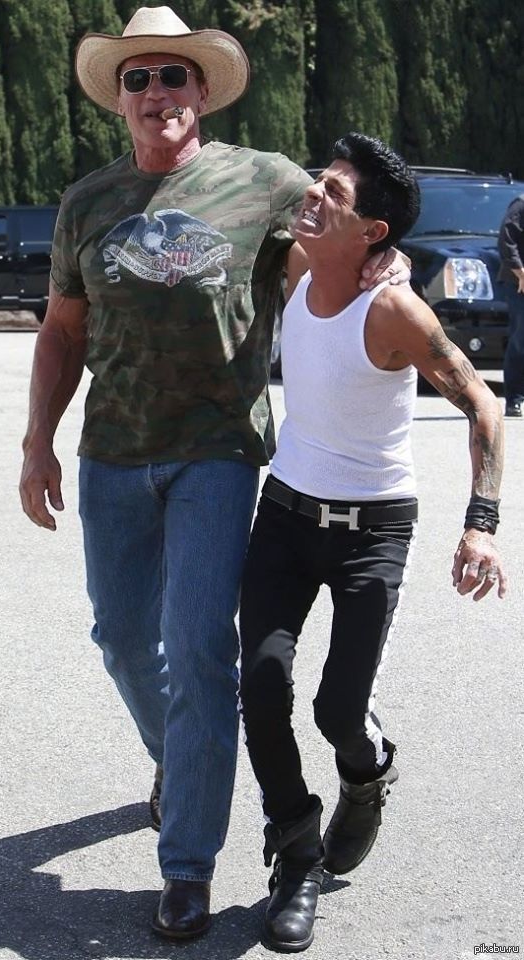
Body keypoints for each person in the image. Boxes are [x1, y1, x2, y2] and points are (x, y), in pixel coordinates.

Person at [18, 7, 407, 940]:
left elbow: (341, 227)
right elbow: (63, 330)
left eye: (173, 76)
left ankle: (185, 864)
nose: (156, 92)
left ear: (201, 91)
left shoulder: (263, 180)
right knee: (121, 639)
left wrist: (385, 259)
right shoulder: (88, 201)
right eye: (138, 78)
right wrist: (37, 441)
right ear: (120, 98)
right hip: (113, 452)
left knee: (198, 651)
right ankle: (183, 758)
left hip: (219, 452)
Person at [238, 133, 508, 953]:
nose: (313, 196)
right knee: (261, 686)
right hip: (285, 515)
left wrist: (481, 524)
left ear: (373, 233)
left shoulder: (391, 309)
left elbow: (482, 403)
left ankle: (367, 770)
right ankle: (295, 854)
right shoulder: (293, 264)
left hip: (371, 531)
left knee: (336, 712)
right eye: (317, 181)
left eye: (335, 194)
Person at [498, 193, 524, 417]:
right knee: (521, 339)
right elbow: (507, 239)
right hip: (518, 283)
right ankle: (514, 399)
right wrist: (520, 271)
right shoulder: (521, 204)